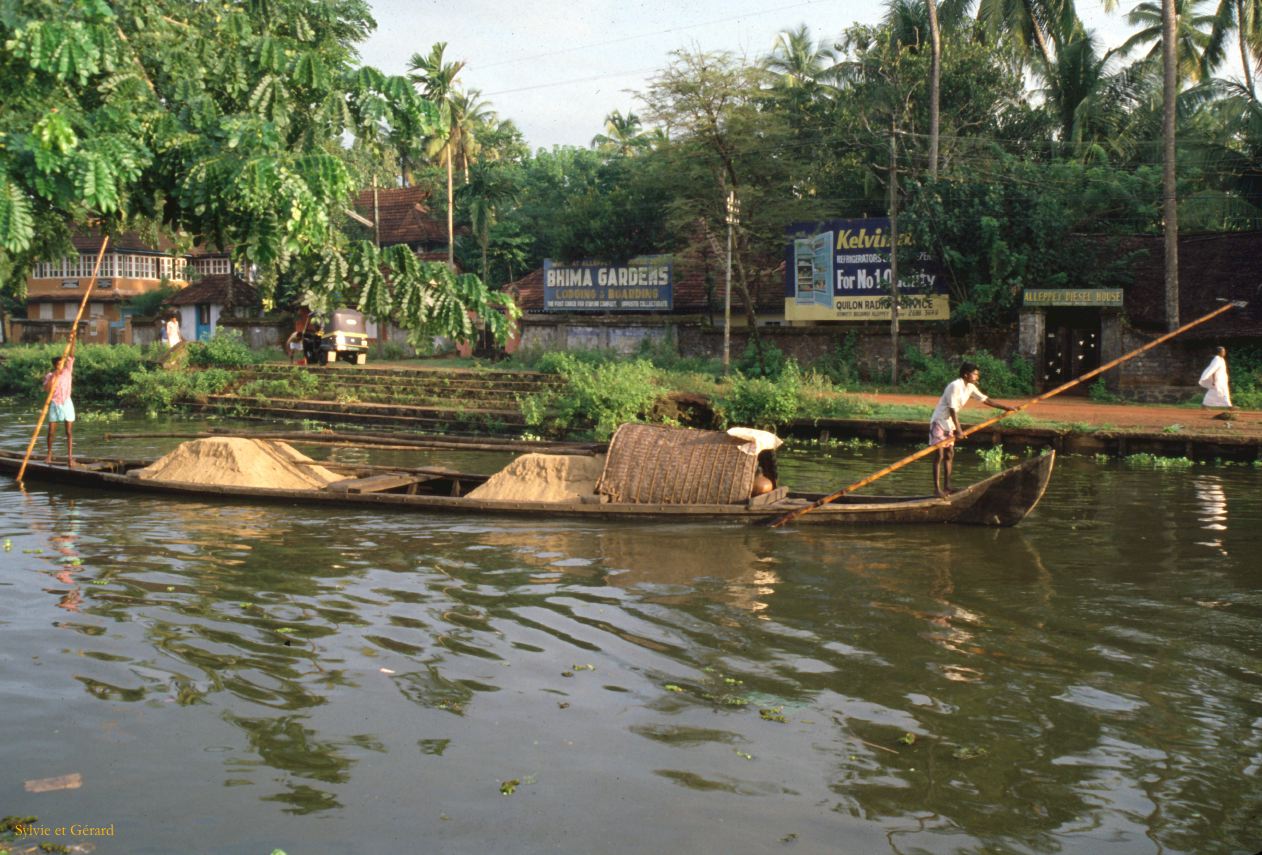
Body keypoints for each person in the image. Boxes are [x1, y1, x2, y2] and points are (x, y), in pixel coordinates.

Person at [929, 361, 1015, 497]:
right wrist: (959, 430)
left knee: (949, 454)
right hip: (939, 421)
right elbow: (952, 410)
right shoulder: (955, 386)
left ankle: (947, 486)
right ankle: (937, 489)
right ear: (966, 374)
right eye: (975, 374)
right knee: (939, 455)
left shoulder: (970, 387)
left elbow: (986, 400)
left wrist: (1006, 408)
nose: (977, 377)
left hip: (950, 423)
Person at [42, 340, 77, 468]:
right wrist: (53, 377)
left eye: (62, 364)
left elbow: (71, 356)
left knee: (68, 432)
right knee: (51, 431)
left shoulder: (67, 371)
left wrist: (72, 341)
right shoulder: (50, 375)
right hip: (55, 404)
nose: (61, 366)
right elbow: (47, 389)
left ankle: (70, 457)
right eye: (59, 364)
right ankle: (49, 454)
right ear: (55, 365)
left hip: (67, 403)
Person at [1198, 346, 1232, 410]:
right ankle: (1229, 406)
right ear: (1219, 352)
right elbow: (1212, 370)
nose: (1224, 353)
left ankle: (1204, 405)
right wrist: (1213, 380)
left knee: (1213, 392)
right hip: (1217, 380)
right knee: (1223, 391)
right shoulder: (1217, 359)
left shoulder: (1221, 359)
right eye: (1223, 351)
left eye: (1224, 351)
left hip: (1222, 379)